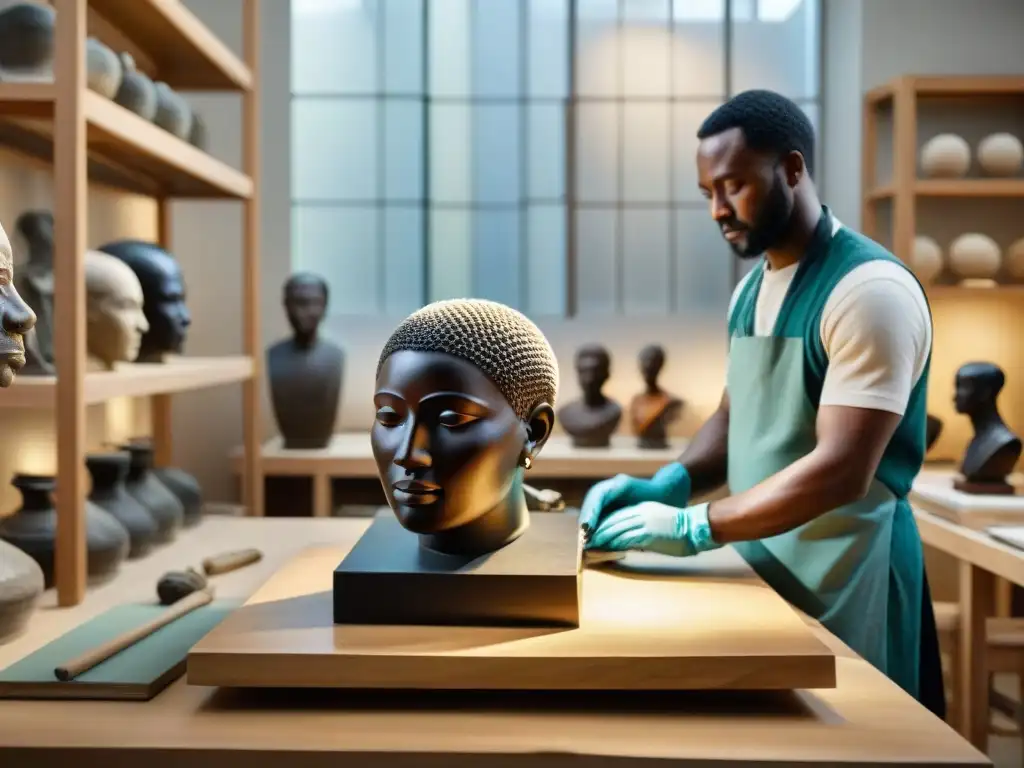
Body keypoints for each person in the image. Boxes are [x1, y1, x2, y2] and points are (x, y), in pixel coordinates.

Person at [579, 89, 944, 717]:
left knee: (864, 746)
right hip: (763, 568)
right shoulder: (750, 292)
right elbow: (733, 418)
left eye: (734, 186)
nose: (719, 209)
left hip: (852, 577)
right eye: (707, 194)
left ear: (793, 170)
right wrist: (669, 484)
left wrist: (698, 526)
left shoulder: (870, 293)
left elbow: (842, 469)